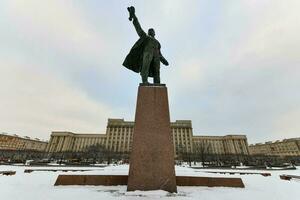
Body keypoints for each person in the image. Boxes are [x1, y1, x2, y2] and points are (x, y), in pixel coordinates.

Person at [123, 6, 169, 84]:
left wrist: (164, 60)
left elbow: (159, 53)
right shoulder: (146, 37)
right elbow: (138, 28)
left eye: (152, 31)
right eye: (150, 31)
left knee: (156, 70)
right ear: (148, 33)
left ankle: (157, 83)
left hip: (156, 57)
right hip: (147, 53)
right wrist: (134, 17)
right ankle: (145, 81)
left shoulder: (157, 42)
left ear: (154, 33)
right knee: (145, 67)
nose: (151, 32)